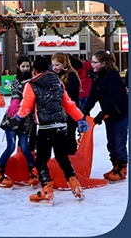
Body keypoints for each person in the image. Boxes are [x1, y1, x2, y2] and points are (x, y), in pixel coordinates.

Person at [16, 56, 90, 204]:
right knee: (62, 157)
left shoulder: (31, 85)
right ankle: (75, 184)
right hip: (61, 126)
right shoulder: (58, 82)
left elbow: (26, 106)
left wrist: (18, 116)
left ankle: (47, 189)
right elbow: (69, 104)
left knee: (42, 161)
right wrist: (80, 118)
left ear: (35, 70)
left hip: (44, 128)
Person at [82, 50, 129, 182]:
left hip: (120, 114)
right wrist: (85, 110)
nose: (91, 64)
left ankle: (122, 168)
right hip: (109, 115)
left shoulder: (113, 76)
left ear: (103, 64)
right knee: (111, 144)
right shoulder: (97, 77)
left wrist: (102, 113)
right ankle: (115, 167)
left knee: (119, 143)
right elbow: (93, 95)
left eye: (94, 62)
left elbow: (112, 98)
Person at [0, 56, 37, 188]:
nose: (25, 69)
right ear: (18, 67)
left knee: (25, 148)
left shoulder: (33, 81)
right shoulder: (16, 81)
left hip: (26, 121)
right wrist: (15, 102)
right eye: (23, 66)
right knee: (11, 147)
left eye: (27, 66)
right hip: (13, 119)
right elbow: (16, 93)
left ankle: (33, 172)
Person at [51, 52, 82, 155]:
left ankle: (71, 159)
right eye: (53, 65)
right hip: (58, 113)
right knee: (59, 139)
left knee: (69, 137)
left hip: (69, 113)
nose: (54, 67)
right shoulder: (55, 75)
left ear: (64, 64)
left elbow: (72, 98)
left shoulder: (71, 76)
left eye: (57, 65)